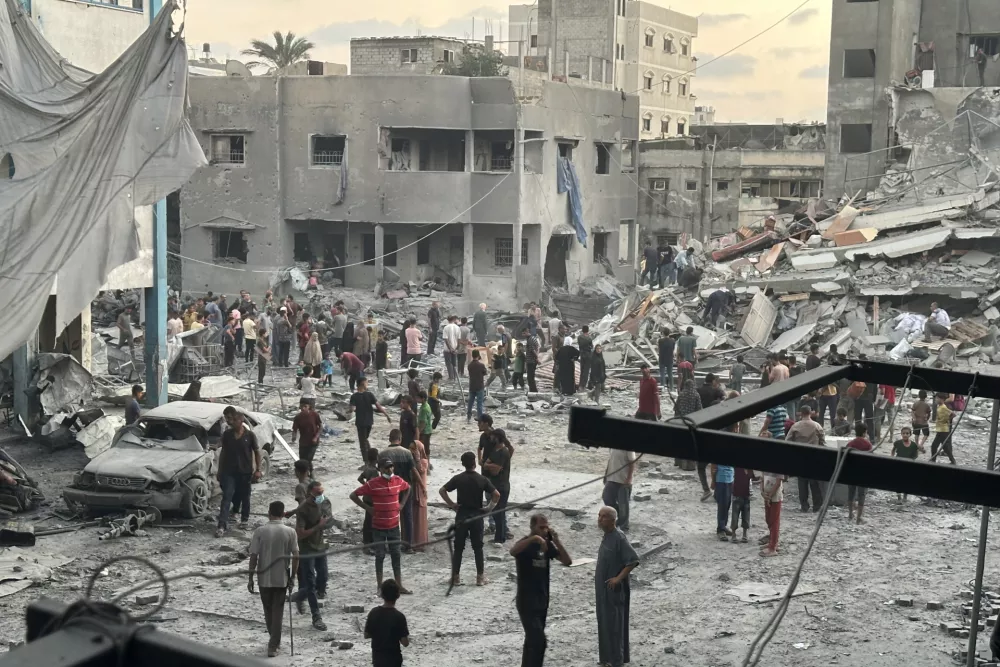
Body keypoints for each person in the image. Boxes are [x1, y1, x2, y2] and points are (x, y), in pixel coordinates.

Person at [511, 514, 572, 667]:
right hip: (526, 601)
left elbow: (567, 561)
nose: (544, 531)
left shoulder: (547, 544)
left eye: (546, 527)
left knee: (532, 642)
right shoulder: (526, 544)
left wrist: (556, 541)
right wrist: (533, 539)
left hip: (542, 600)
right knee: (539, 641)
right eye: (541, 527)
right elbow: (513, 551)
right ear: (532, 527)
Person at [350, 454, 412, 594]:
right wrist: (368, 508)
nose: (390, 470)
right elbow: (354, 495)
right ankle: (379, 586)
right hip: (378, 527)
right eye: (386, 468)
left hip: (394, 525)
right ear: (380, 469)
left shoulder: (397, 480)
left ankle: (399, 585)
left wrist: (401, 504)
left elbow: (408, 488)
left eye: (391, 467)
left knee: (396, 555)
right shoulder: (373, 483)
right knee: (380, 556)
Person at [247, 500, 299, 658]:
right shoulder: (290, 532)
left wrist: (250, 577)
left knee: (268, 610)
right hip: (281, 578)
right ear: (283, 514)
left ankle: (273, 641)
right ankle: (274, 643)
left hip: (263, 578)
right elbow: (296, 556)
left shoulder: (260, 531)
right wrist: (293, 576)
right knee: (278, 610)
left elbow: (253, 556)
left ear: (269, 512)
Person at [441, 452, 500, 586]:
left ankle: (455, 577)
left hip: (461, 516)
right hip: (477, 516)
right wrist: (489, 509)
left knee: (458, 547)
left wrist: (452, 505)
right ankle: (480, 578)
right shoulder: (482, 479)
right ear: (474, 463)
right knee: (478, 547)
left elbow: (442, 490)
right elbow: (496, 494)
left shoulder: (458, 478)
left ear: (463, 464)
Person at [595, 506, 640, 667]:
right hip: (603, 591)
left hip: (614, 592)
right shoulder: (607, 536)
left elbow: (633, 560)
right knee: (604, 622)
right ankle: (606, 658)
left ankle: (616, 661)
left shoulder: (619, 538)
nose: (599, 519)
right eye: (599, 515)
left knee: (615, 625)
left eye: (603, 517)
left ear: (613, 520)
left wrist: (618, 578)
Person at [216, 407, 262, 537]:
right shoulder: (227, 435)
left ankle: (244, 519)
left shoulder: (250, 436)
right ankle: (221, 525)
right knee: (226, 497)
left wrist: (258, 470)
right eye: (230, 419)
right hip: (229, 471)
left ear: (241, 420)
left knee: (245, 496)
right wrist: (219, 471)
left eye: (234, 419)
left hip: (245, 472)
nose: (231, 422)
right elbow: (223, 453)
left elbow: (257, 452)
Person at [289, 481, 329, 630]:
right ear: (310, 493)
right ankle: (316, 617)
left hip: (320, 546)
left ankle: (300, 595)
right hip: (307, 549)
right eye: (318, 493)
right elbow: (300, 533)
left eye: (322, 492)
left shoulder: (324, 503)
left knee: (323, 578)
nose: (321, 495)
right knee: (311, 582)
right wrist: (318, 526)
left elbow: (328, 519)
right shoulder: (304, 509)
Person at [786, 405, 825, 512]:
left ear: (801, 413)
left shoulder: (795, 426)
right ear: (810, 413)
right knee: (814, 483)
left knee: (802, 483)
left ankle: (804, 506)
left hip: (800, 458)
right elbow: (823, 443)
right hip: (814, 457)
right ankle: (817, 506)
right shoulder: (817, 426)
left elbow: (787, 441)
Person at [364, 579, 410, 667]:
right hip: (394, 661)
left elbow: (366, 635)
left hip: (378, 660)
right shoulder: (399, 617)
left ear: (381, 594)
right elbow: (405, 643)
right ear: (398, 595)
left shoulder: (373, 612)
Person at [482, 429, 512, 544]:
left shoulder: (503, 452)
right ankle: (500, 536)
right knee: (496, 512)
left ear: (498, 437)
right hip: (495, 485)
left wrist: (490, 466)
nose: (491, 438)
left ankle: (500, 538)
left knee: (499, 512)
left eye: (493, 436)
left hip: (502, 486)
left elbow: (495, 471)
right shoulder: (495, 450)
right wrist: (490, 465)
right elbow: (486, 464)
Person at [602, 448, 636, 532]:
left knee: (623, 505)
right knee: (606, 498)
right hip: (612, 478)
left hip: (623, 480)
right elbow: (610, 461)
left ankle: (624, 526)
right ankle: (620, 517)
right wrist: (606, 475)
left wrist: (629, 479)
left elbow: (632, 463)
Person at [846, 424, 873, 523]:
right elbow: (871, 459)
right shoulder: (868, 444)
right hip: (863, 472)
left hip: (851, 472)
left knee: (851, 493)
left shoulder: (850, 444)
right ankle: (859, 518)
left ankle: (850, 514)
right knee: (862, 495)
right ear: (864, 432)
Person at [408, 434, 429, 553]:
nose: (412, 451)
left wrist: (416, 459)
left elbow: (420, 470)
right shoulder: (409, 460)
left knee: (420, 517)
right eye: (410, 449)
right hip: (411, 490)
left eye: (414, 449)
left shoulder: (424, 461)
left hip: (420, 492)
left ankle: (420, 542)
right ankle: (412, 541)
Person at [891, 426, 923, 503]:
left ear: (910, 434)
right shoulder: (897, 443)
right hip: (898, 465)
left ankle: (905, 497)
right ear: (901, 434)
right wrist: (892, 458)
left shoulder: (913, 445)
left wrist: (913, 458)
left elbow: (917, 454)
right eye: (903, 433)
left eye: (907, 433)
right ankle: (899, 498)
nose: (905, 435)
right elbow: (893, 450)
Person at [759, 470, 783, 557]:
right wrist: (762, 492)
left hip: (775, 496)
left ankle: (772, 548)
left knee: (774, 521)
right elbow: (762, 479)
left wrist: (769, 496)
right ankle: (772, 542)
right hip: (766, 495)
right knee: (768, 519)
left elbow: (778, 482)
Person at [730, 463, 755, 543]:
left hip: (745, 495)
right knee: (735, 516)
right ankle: (734, 534)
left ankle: (744, 534)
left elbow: (752, 477)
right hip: (737, 494)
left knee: (745, 516)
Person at [711, 458, 735, 540]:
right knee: (722, 505)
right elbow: (713, 467)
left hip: (730, 479)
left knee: (727, 504)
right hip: (721, 480)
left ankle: (723, 526)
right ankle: (720, 529)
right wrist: (713, 481)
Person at [930, 393, 956, 464]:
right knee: (945, 447)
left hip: (943, 430)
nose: (936, 399)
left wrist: (947, 421)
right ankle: (952, 461)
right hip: (941, 429)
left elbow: (953, 414)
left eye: (937, 398)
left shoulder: (943, 407)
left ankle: (933, 460)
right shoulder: (940, 406)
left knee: (934, 446)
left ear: (942, 399)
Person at [466, 349, 487, 421]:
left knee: (470, 402)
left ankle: (469, 415)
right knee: (479, 403)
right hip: (479, 386)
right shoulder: (481, 365)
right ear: (478, 355)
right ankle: (480, 417)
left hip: (472, 386)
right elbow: (485, 373)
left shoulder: (469, 365)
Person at [416, 390, 434, 460]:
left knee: (423, 448)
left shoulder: (424, 408)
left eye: (418, 398)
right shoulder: (426, 405)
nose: (417, 399)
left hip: (425, 431)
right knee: (426, 447)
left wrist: (419, 432)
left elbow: (423, 423)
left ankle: (426, 464)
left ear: (422, 398)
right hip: (428, 430)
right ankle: (427, 463)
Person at [442, 315, 461, 380]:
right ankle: (455, 377)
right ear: (454, 319)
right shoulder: (457, 327)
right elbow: (459, 339)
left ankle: (451, 377)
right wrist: (456, 348)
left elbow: (445, 339)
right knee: (454, 363)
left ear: (447, 320)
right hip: (455, 347)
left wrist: (450, 348)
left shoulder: (446, 328)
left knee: (449, 363)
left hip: (447, 349)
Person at [577, 325, 594, 391]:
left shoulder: (579, 337)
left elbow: (579, 345)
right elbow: (592, 347)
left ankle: (580, 385)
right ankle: (583, 386)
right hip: (588, 356)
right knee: (586, 371)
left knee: (582, 370)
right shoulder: (589, 338)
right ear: (588, 330)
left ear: (582, 330)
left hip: (582, 355)